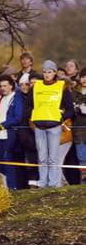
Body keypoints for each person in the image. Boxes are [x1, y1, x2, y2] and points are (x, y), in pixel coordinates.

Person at [28, 59, 75, 188]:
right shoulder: (36, 86)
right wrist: (32, 118)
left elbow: (70, 108)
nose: (47, 74)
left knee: (53, 157)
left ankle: (54, 184)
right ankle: (43, 183)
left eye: (49, 72)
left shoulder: (61, 87)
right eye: (44, 72)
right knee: (42, 157)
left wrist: (61, 118)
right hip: (39, 126)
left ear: (55, 73)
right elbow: (29, 105)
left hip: (54, 126)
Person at [0, 75, 23, 190]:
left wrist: (2, 126)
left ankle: (12, 186)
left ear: (11, 86)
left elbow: (17, 117)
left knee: (7, 159)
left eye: (5, 86)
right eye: (1, 86)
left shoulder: (16, 97)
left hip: (9, 133)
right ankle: (3, 186)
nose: (3, 88)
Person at [16, 73, 40, 189]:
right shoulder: (19, 98)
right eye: (23, 84)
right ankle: (31, 184)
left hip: (38, 132)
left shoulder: (37, 97)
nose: (25, 87)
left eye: (28, 84)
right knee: (29, 162)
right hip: (26, 136)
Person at [72, 66, 86, 183]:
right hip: (78, 131)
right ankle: (83, 182)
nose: (84, 80)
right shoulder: (75, 91)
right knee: (81, 157)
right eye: (82, 77)